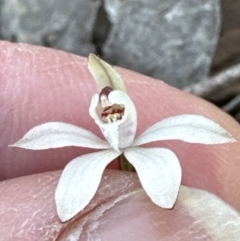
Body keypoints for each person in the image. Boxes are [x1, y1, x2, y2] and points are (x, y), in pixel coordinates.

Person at [0, 41, 240, 240]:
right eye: (106, 114)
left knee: (163, 202)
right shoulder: (78, 161)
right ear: (97, 113)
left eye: (118, 112)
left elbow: (165, 195)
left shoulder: (164, 150)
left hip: (144, 152)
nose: (113, 118)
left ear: (128, 108)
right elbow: (68, 204)